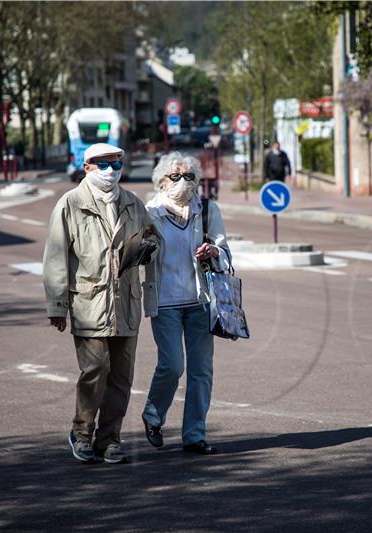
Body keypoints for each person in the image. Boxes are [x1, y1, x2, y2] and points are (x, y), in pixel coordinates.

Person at [43, 142, 156, 464]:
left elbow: (153, 240)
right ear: (87, 167)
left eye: (116, 165)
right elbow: (55, 257)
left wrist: (148, 247)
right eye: (103, 165)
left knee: (121, 377)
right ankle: (82, 434)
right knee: (95, 369)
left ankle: (110, 440)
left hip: (126, 303)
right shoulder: (70, 204)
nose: (111, 171)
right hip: (89, 303)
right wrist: (57, 306)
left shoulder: (133, 204)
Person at [141, 152, 231, 455]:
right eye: (175, 176)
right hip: (164, 302)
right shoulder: (148, 212)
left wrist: (214, 253)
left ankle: (194, 435)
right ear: (162, 181)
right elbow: (135, 255)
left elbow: (225, 252)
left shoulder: (206, 210)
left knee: (201, 371)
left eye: (189, 176)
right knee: (172, 365)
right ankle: (153, 415)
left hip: (200, 302)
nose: (183, 182)